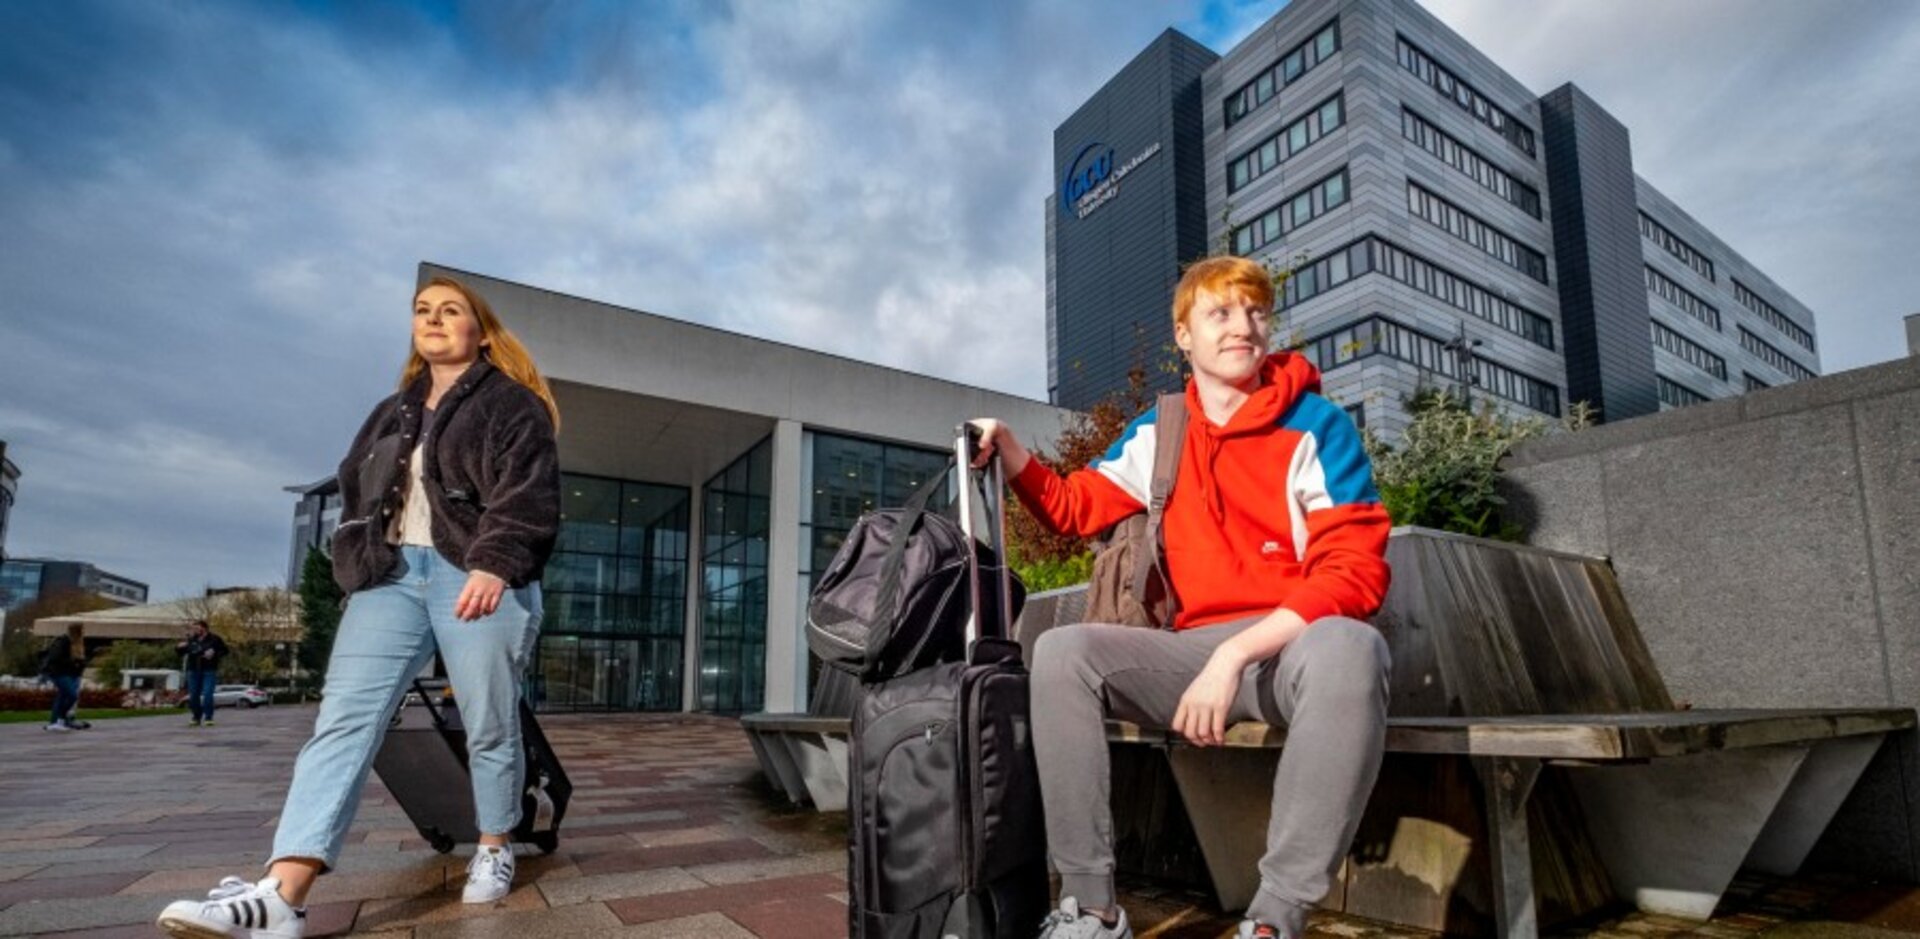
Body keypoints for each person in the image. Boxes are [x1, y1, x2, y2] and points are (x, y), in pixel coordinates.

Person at [969, 256, 1393, 939]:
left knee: (1353, 644)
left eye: (1255, 311)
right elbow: (1074, 508)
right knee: (1062, 649)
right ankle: (1092, 910)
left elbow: (1354, 572)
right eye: (1220, 313)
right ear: (1184, 335)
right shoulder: (1161, 431)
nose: (1243, 326)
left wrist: (1233, 656)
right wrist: (1013, 449)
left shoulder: (1317, 426)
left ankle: (1274, 919)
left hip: (1289, 647)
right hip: (1190, 652)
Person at [158, 276, 561, 939]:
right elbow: (355, 491)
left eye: (449, 310)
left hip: (478, 572)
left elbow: (531, 489)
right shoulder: (390, 412)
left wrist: (496, 560)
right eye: (422, 311)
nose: (432, 319)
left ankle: (494, 842)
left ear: (479, 331)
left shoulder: (512, 405)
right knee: (342, 720)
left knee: (487, 718)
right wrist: (355, 555)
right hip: (394, 574)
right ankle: (282, 896)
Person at [178, 619, 230, 727]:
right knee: (193, 695)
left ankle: (208, 717)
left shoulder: (214, 639)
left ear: (204, 628)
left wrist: (214, 653)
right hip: (193, 669)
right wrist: (179, 647)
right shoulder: (192, 640)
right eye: (194, 628)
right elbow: (181, 652)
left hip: (209, 669)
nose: (195, 630)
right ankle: (196, 717)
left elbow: (225, 651)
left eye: (197, 628)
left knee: (207, 694)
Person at [42, 623, 88, 733]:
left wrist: (80, 665)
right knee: (71, 695)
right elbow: (55, 658)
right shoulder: (63, 641)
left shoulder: (78, 644)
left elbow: (80, 660)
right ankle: (61, 719)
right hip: (60, 673)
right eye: (82, 630)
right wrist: (74, 663)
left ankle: (56, 722)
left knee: (62, 697)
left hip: (72, 674)